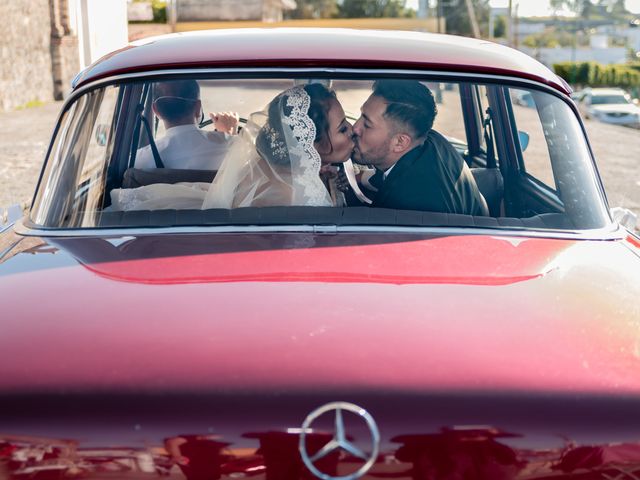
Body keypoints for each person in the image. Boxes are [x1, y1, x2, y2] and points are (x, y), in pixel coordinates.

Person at [111, 84, 354, 211]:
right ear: (309, 142)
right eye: (343, 128)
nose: (353, 130)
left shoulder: (265, 171)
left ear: (155, 111)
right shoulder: (296, 196)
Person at [352, 80, 488, 216]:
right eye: (361, 116)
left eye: (367, 124)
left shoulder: (405, 207)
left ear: (400, 142)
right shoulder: (431, 140)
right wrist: (360, 177)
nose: (355, 128)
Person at [135, 79, 238, 170]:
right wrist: (228, 135)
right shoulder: (230, 147)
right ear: (198, 108)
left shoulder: (140, 160)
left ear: (156, 111)